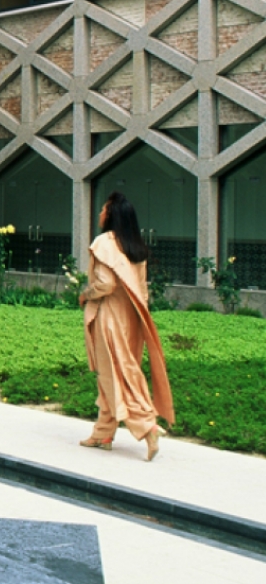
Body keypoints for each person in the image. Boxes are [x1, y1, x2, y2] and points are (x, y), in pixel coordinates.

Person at [78, 192, 174, 461]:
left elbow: (106, 285)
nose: (99, 214)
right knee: (118, 372)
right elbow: (142, 290)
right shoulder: (135, 246)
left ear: (111, 215)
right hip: (131, 318)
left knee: (116, 375)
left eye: (102, 210)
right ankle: (103, 433)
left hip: (109, 317)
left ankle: (147, 427)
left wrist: (86, 294)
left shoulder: (104, 243)